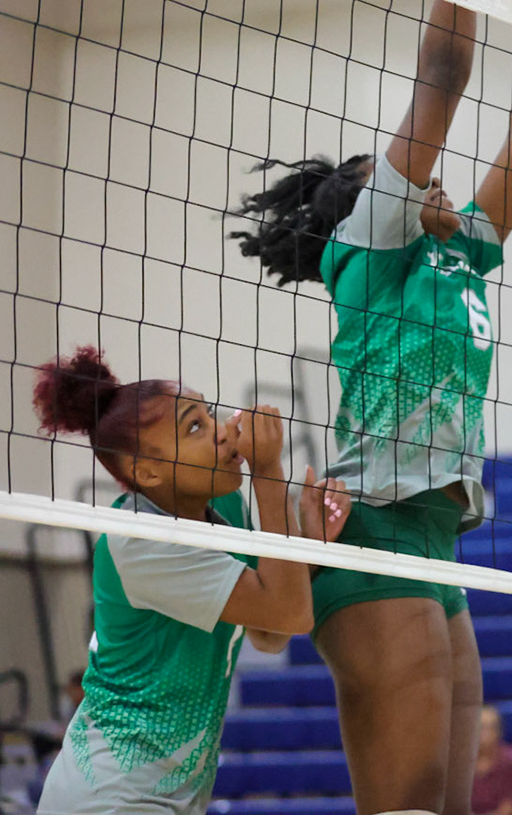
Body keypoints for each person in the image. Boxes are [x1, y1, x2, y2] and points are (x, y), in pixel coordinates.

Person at [227, 0, 512, 814]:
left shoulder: (461, 251)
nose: (406, 165)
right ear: (359, 201)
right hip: (375, 534)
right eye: (384, 165)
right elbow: (442, 77)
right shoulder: (367, 247)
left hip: (440, 543)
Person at [30, 346, 347, 813]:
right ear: (147, 471)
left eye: (209, 415)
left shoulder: (226, 508)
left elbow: (270, 633)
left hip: (173, 795)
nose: (222, 433)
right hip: (112, 795)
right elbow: (290, 613)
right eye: (194, 427)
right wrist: (267, 469)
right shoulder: (139, 540)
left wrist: (309, 546)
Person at [473, 705, 512, 815]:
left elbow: (508, 809)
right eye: (480, 727)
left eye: (490, 727)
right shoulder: (457, 763)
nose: (484, 733)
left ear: (499, 731)